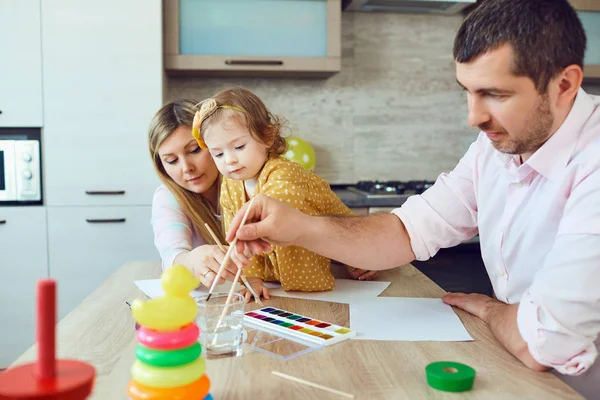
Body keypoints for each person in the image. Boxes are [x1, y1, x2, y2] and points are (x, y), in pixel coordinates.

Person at [224, 0, 600, 397]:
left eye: (494, 94)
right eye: (468, 92)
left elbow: (542, 343)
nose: (473, 117)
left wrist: (491, 309)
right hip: (517, 366)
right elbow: (406, 231)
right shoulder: (493, 148)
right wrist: (300, 227)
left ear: (564, 85)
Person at [191, 87, 375, 303]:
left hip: (343, 255)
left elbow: (275, 206)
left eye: (239, 146)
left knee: (362, 264)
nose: (229, 160)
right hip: (280, 285)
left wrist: (360, 255)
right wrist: (253, 280)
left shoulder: (285, 173)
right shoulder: (230, 185)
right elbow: (238, 236)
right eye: (218, 154)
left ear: (266, 137)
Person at [148, 99, 238, 288]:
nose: (186, 168)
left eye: (194, 150)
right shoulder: (167, 196)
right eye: (171, 160)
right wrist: (191, 260)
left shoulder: (245, 181)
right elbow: (172, 256)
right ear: (162, 167)